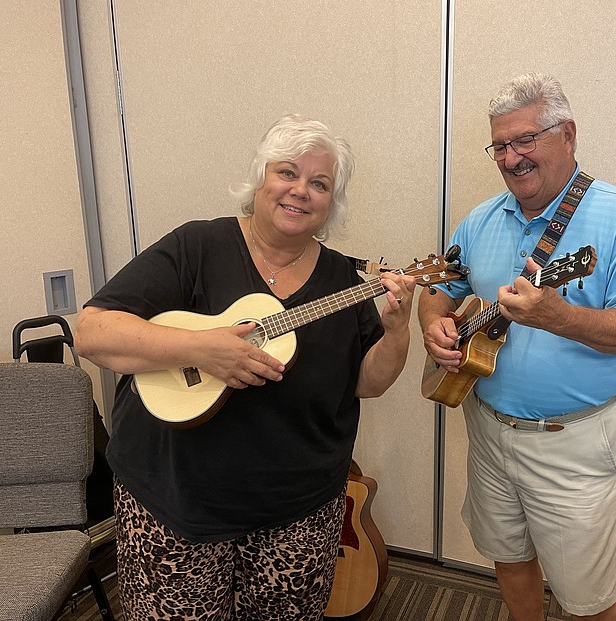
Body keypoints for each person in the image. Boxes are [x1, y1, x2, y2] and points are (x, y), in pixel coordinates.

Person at [76, 114, 416, 620]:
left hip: (299, 509)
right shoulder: (196, 246)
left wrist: (397, 331)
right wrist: (200, 349)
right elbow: (91, 332)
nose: (300, 191)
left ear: (332, 202)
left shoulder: (344, 279)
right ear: (260, 178)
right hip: (174, 502)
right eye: (287, 173)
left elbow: (368, 382)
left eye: (319, 183)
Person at [418, 74, 616, 621]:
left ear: (567, 134)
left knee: (588, 598)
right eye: (500, 146)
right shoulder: (480, 219)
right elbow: (438, 286)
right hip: (486, 428)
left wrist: (557, 315)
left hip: (572, 441)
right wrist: (434, 324)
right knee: (508, 557)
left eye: (525, 140)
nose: (511, 158)